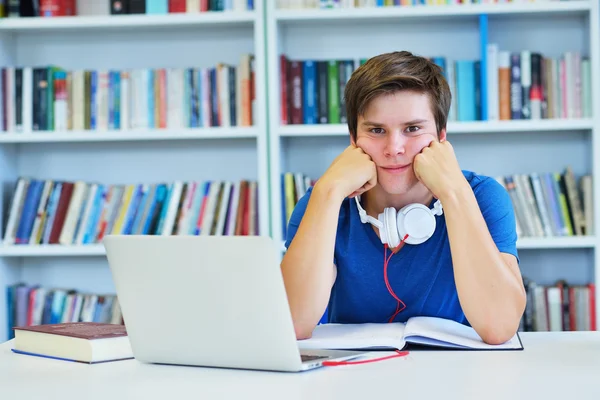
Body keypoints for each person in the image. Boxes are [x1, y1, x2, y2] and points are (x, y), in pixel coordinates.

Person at [280, 51, 527, 345]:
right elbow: (290, 324)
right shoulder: (323, 201)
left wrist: (453, 192)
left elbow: (499, 327)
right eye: (376, 130)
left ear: (441, 138)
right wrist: (330, 192)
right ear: (353, 140)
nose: (394, 148)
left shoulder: (482, 196)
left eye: (412, 129)